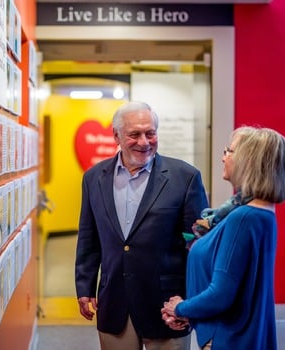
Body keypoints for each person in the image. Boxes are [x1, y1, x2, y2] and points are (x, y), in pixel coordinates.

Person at [75, 101, 209, 350]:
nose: (144, 142)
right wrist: (85, 286)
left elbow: (200, 246)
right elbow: (89, 237)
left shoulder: (185, 177)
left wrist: (191, 300)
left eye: (150, 133)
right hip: (115, 300)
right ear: (116, 136)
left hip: (168, 305)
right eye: (134, 134)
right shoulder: (94, 178)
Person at [161, 126, 285, 350]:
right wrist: (190, 313)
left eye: (228, 151)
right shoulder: (258, 212)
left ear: (247, 160)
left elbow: (221, 294)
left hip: (227, 339)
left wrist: (180, 308)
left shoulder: (243, 217)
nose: (223, 157)